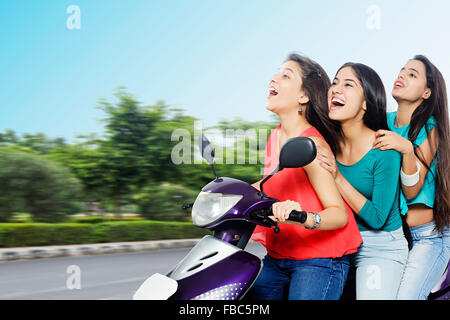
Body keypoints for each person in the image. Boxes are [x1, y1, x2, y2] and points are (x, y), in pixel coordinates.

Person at [247, 53, 362, 300]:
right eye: (277, 73)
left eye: (285, 75)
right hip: (279, 257)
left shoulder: (312, 146)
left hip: (319, 258)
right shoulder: (275, 136)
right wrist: (224, 194)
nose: (273, 79)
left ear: (303, 96)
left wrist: (302, 217)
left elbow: (338, 213)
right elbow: (271, 183)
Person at [316, 62, 409, 300]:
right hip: (340, 242)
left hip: (380, 247)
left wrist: (337, 177)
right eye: (335, 82)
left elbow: (378, 218)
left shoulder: (384, 149)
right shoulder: (328, 144)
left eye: (348, 84)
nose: (336, 89)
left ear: (366, 102)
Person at [372, 55, 450, 300]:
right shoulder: (381, 122)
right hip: (392, 236)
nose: (402, 75)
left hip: (429, 237)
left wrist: (406, 148)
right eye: (402, 70)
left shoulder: (431, 128)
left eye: (412, 74)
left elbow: (411, 190)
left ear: (427, 92)